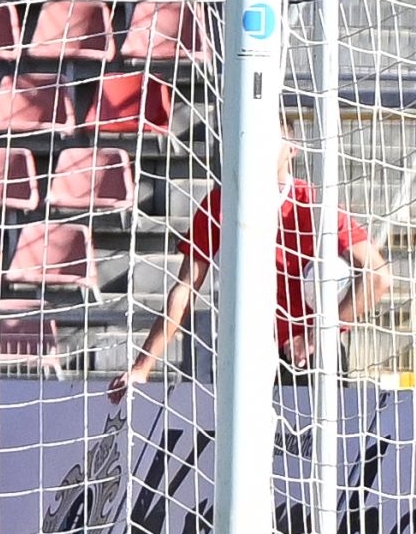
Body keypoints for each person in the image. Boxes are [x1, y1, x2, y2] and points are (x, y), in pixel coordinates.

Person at [109, 119, 391, 401]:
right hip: (247, 357)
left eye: (271, 141)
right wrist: (142, 367)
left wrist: (316, 335)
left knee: (315, 426)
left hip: (310, 357)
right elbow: (185, 288)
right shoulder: (222, 203)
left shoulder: (314, 204)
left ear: (291, 149)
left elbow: (378, 276)